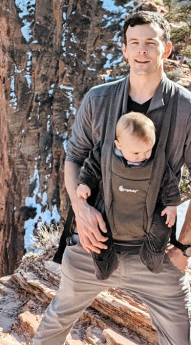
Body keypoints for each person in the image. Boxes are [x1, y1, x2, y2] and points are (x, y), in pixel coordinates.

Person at [8, 10, 191, 345]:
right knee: (57, 318)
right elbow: (73, 157)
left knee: (183, 344)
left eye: (151, 43)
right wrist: (81, 212)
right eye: (134, 43)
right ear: (124, 49)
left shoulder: (186, 110)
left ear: (166, 50)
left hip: (154, 251)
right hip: (95, 242)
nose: (142, 51)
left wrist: (186, 249)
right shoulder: (99, 101)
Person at [73, 111, 180, 279]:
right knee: (97, 230)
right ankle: (105, 262)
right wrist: (84, 183)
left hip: (146, 212)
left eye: (148, 150)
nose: (143, 156)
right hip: (111, 210)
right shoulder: (105, 152)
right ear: (119, 145)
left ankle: (152, 255)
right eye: (136, 153)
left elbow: (169, 183)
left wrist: (171, 205)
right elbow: (91, 167)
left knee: (163, 226)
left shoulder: (157, 162)